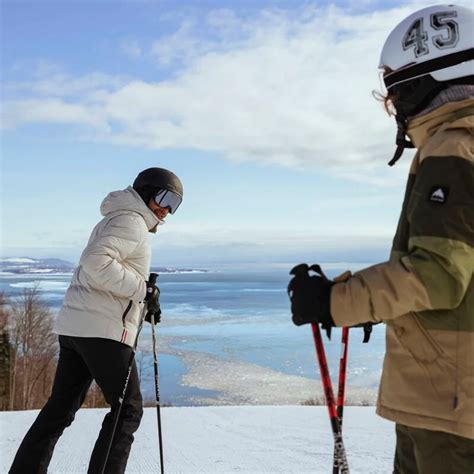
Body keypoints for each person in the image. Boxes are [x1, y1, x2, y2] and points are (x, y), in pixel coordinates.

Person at [289, 4, 473, 473]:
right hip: (450, 394)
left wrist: (336, 300)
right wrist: (381, 304)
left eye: (394, 88)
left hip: (449, 404)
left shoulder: (456, 144)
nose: (391, 105)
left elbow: (439, 275)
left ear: (428, 76)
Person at [9, 167, 183, 474]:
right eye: (165, 198)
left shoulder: (117, 217)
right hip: (103, 332)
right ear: (146, 191)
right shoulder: (132, 221)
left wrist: (145, 299)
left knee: (60, 410)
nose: (168, 210)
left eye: (175, 204)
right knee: (127, 411)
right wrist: (142, 289)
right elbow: (95, 263)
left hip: (78, 328)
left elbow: (99, 268)